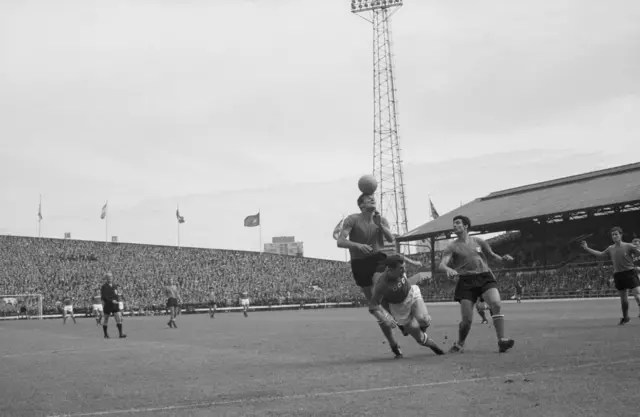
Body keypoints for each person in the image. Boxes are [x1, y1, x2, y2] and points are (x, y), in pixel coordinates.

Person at [336, 193, 403, 358]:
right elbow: (340, 241)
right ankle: (393, 344)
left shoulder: (381, 219)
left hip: (377, 258)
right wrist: (357, 245)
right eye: (368, 199)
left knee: (380, 291)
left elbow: (391, 239)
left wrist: (380, 225)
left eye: (373, 197)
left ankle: (397, 317)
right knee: (375, 305)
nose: (372, 199)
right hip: (359, 263)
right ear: (360, 205)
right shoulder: (352, 219)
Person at [440, 215, 515, 354]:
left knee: (496, 304)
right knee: (467, 321)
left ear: (466, 226)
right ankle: (460, 343)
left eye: (458, 223)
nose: (455, 226)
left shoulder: (479, 241)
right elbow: (442, 264)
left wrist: (503, 259)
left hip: (484, 276)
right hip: (466, 281)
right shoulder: (452, 246)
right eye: (454, 224)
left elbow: (492, 256)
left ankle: (502, 341)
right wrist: (448, 269)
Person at [369, 255, 445, 356]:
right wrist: (385, 318)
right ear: (390, 270)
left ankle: (419, 328)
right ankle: (434, 347)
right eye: (401, 268)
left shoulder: (399, 270)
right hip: (399, 309)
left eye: (404, 267)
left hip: (411, 294)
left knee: (424, 319)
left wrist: (414, 262)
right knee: (420, 338)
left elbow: (403, 261)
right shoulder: (381, 285)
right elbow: (373, 307)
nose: (404, 270)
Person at [581, 227, 640, 324]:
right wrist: (587, 248)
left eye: (616, 234)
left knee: (637, 295)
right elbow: (600, 254)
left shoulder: (629, 246)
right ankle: (625, 317)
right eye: (613, 235)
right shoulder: (610, 248)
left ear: (621, 235)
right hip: (618, 275)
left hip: (630, 272)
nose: (614, 236)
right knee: (623, 300)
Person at [101, 273, 127, 339]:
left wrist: (117, 301)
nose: (110, 278)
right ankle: (105, 334)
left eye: (111, 277)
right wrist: (111, 301)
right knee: (106, 319)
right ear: (106, 278)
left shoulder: (115, 285)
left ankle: (121, 334)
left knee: (118, 318)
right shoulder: (104, 286)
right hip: (108, 305)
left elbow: (116, 294)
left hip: (115, 305)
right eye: (108, 277)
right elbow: (104, 297)